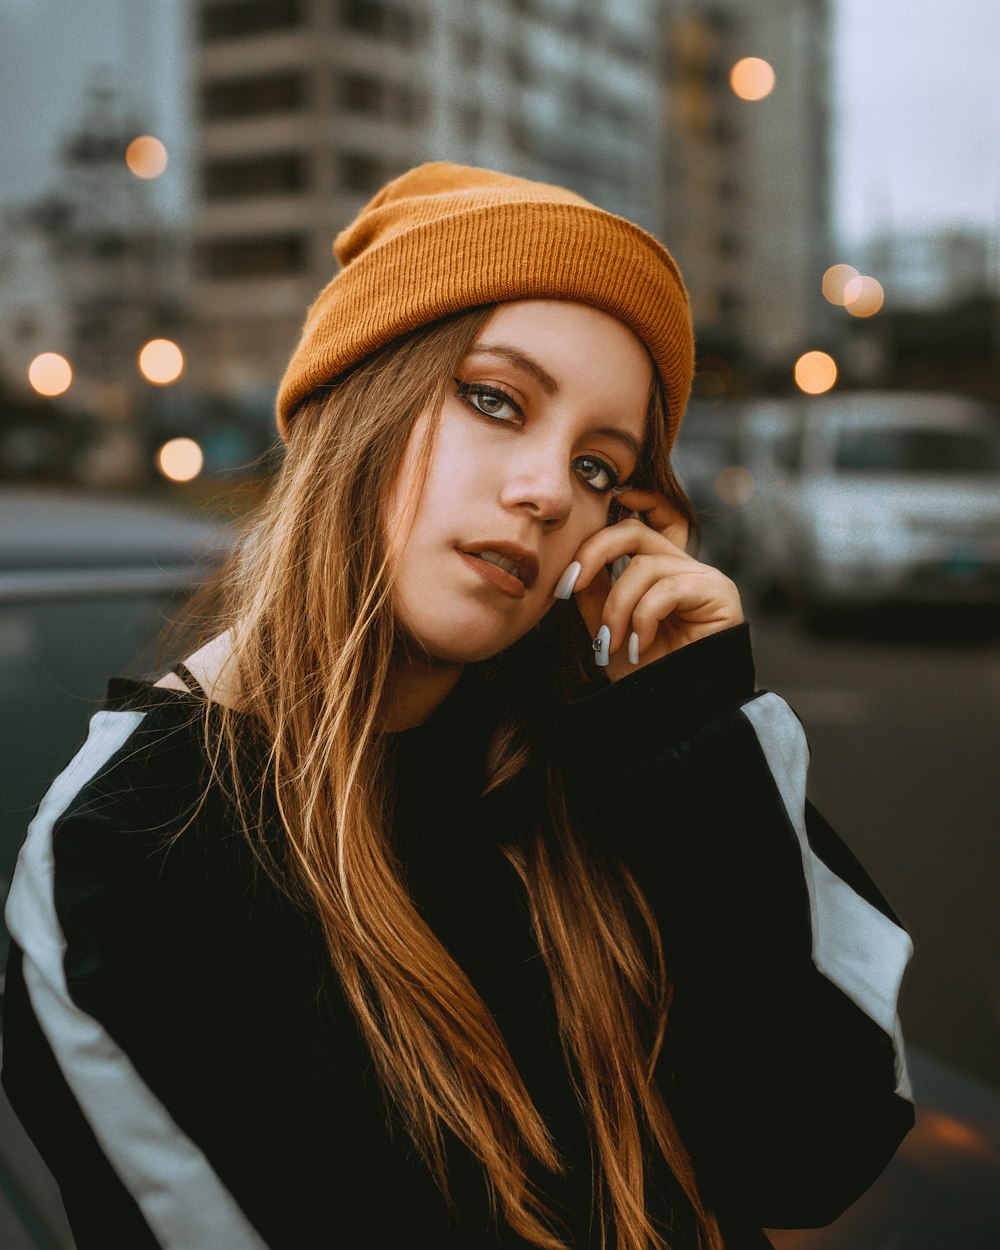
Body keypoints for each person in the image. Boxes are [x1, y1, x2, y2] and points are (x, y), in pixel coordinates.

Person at [2, 164, 914, 1250]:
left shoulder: (626, 755)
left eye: (597, 465)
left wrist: (696, 731)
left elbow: (815, 1150)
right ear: (359, 403)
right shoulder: (128, 848)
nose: (544, 490)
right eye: (494, 399)